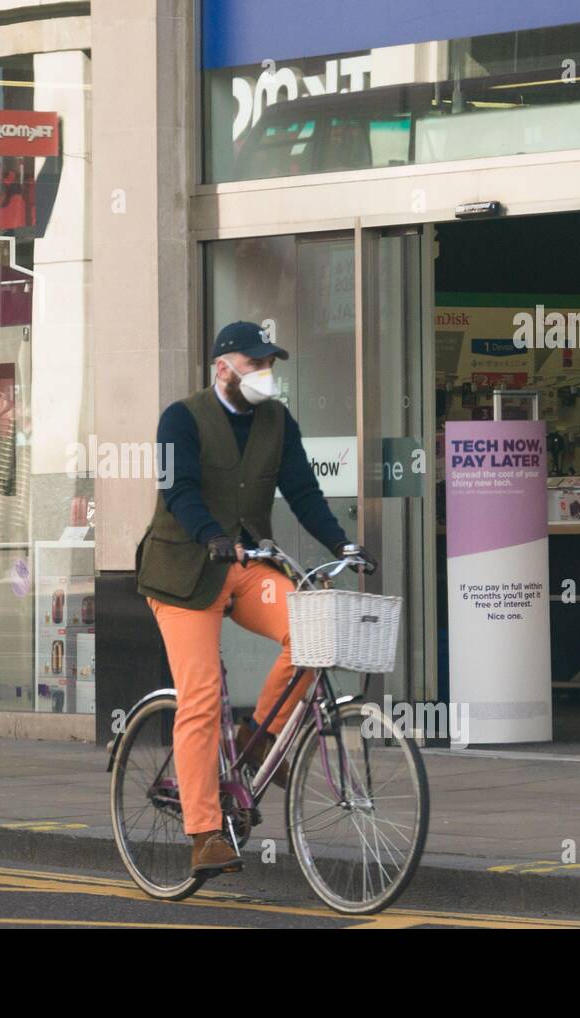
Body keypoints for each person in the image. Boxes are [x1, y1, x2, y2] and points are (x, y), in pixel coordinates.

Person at [134, 322, 376, 878]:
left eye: (270, 364)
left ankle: (256, 735)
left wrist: (341, 542)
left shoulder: (276, 421)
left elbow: (303, 491)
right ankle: (205, 834)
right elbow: (179, 490)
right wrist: (210, 536)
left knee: (313, 630)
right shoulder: (181, 418)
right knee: (199, 697)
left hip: (244, 567)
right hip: (183, 573)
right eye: (255, 362)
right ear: (223, 367)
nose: (266, 373)